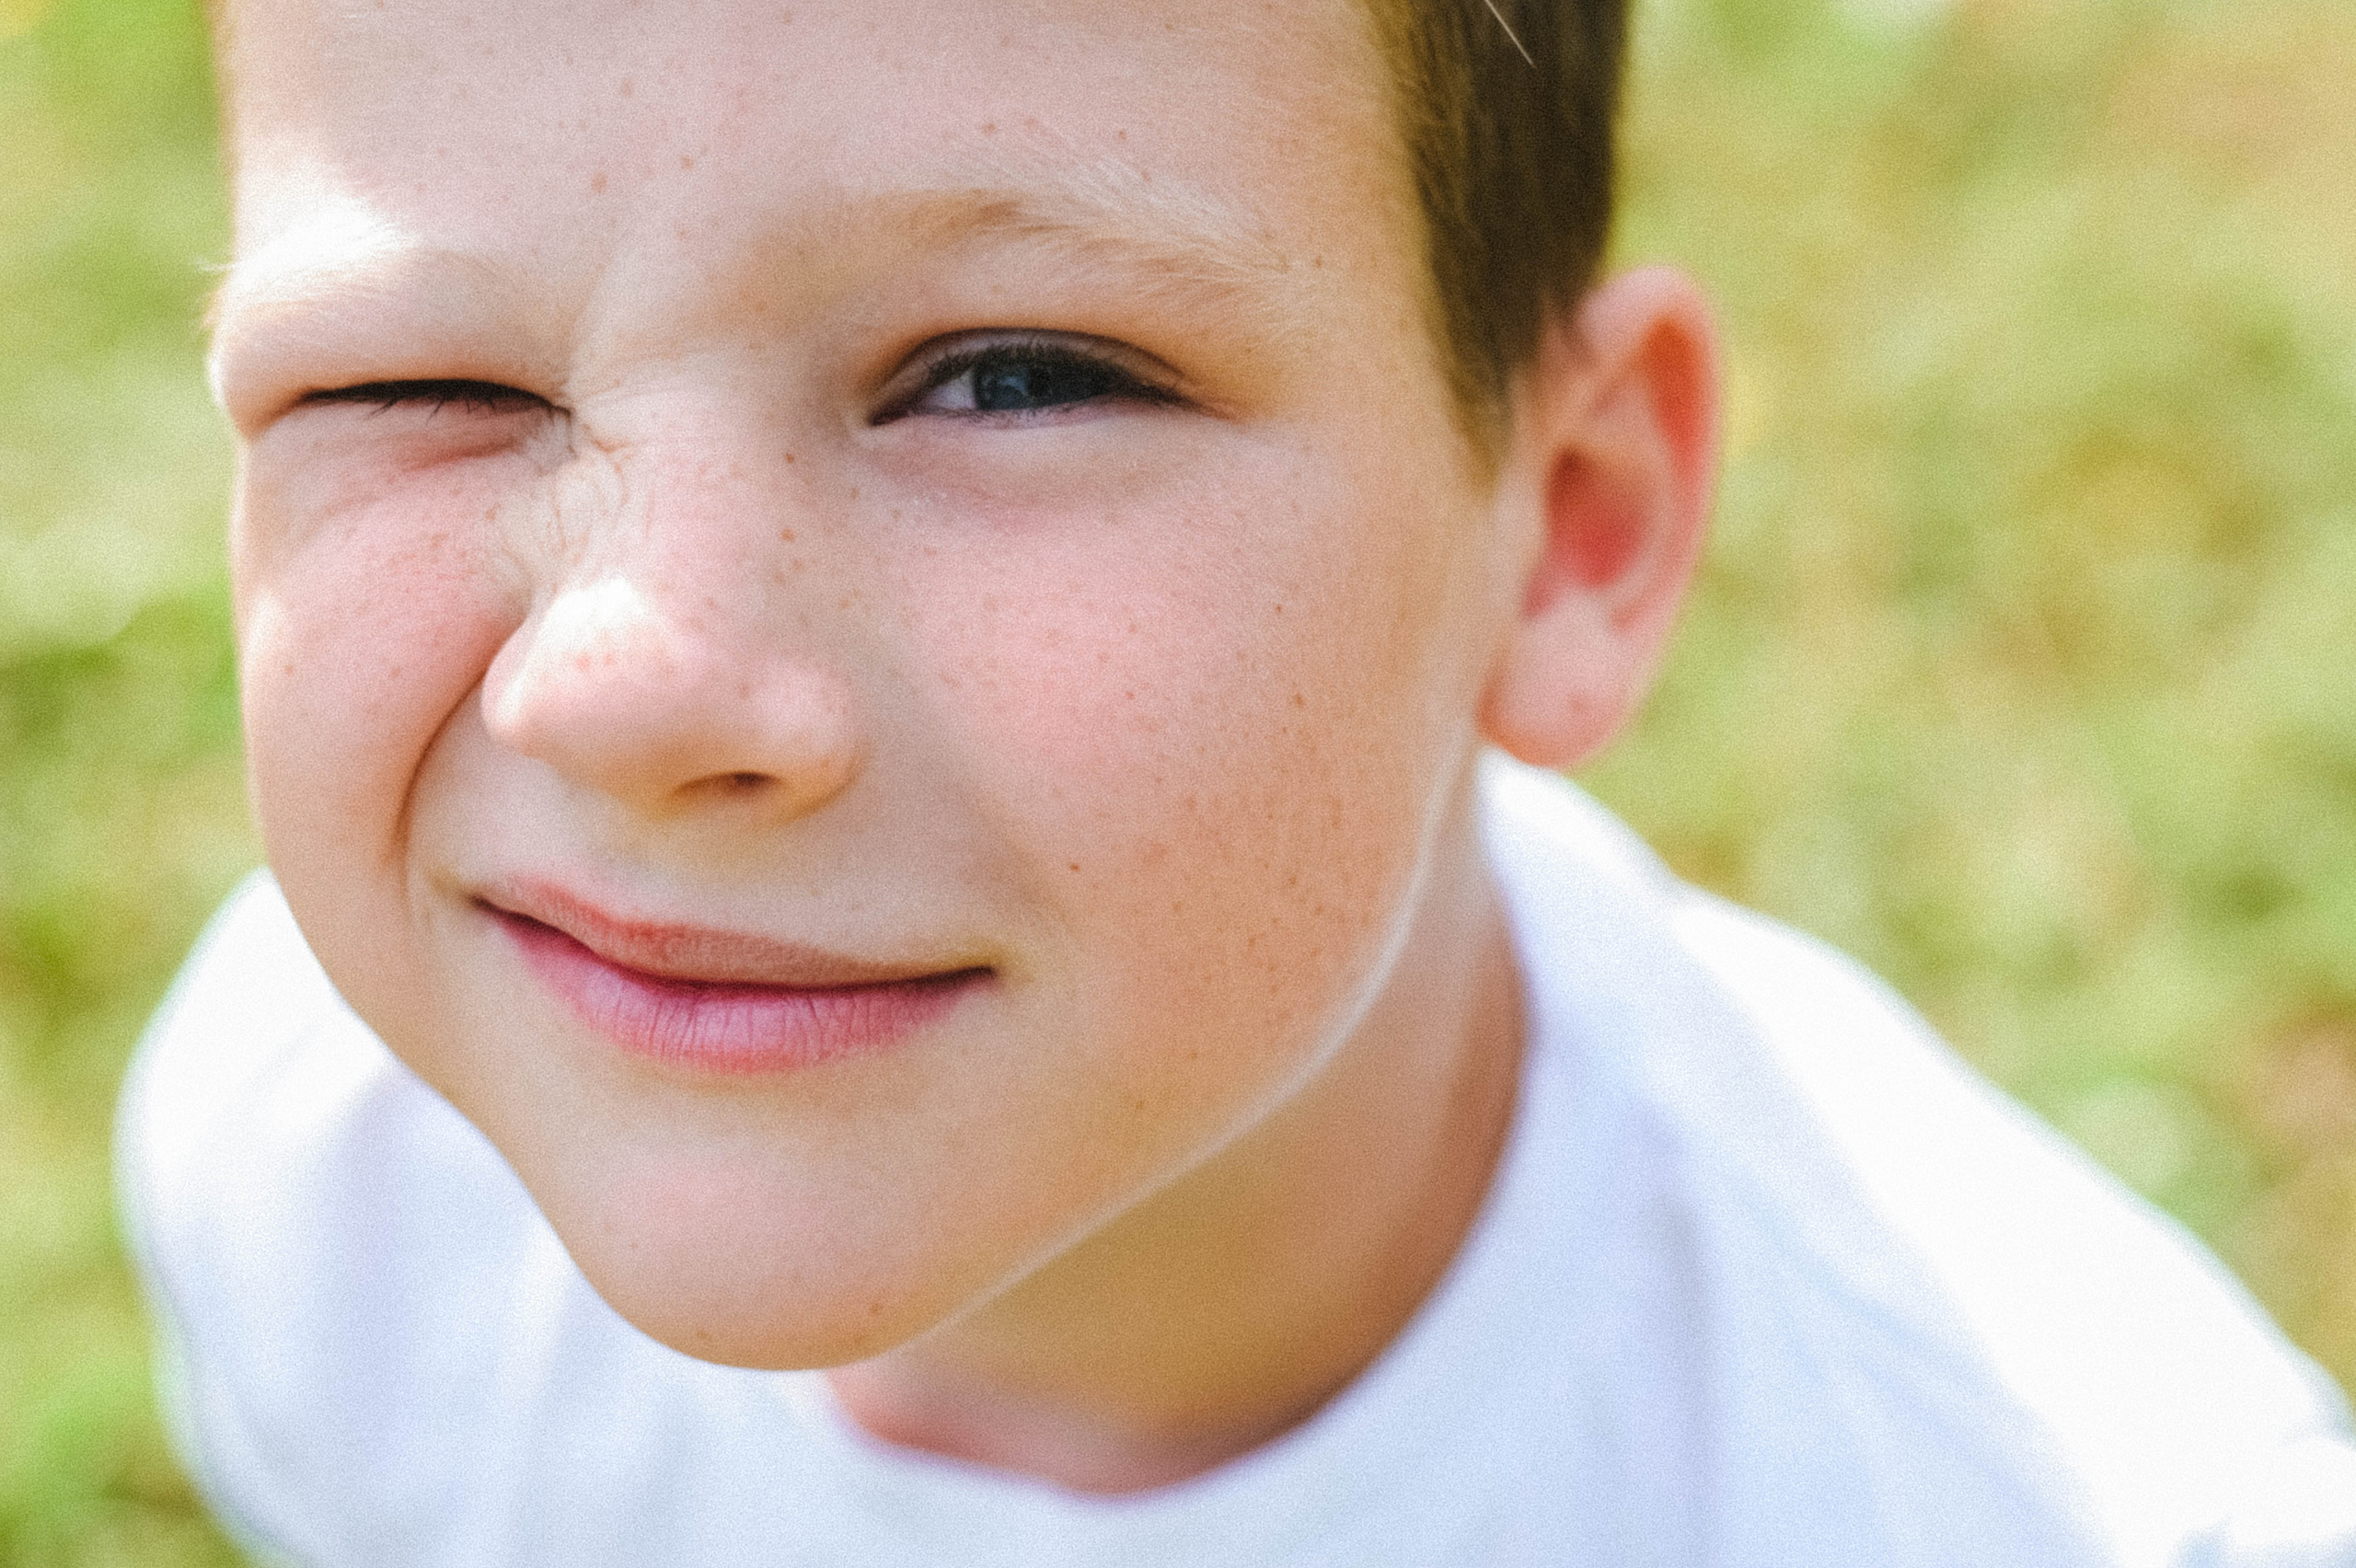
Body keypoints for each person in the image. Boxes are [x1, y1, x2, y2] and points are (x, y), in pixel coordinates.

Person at [118, 0, 2356, 1562]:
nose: (632, 681)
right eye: (412, 381)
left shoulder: (2055, 1513)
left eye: (1015, 377)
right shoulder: (315, 1193)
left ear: (1565, 527)